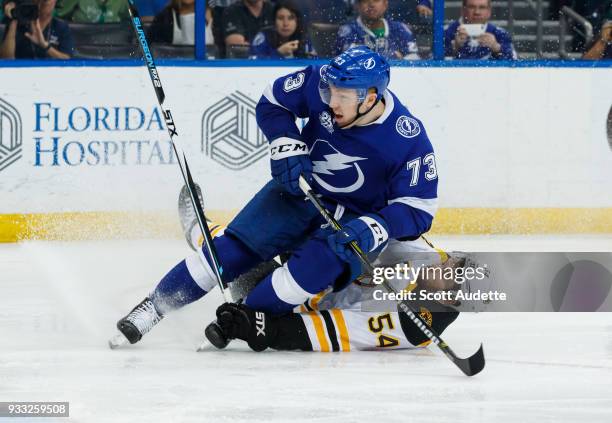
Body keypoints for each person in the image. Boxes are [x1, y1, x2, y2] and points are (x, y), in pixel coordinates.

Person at [111, 46, 440, 351]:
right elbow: (274, 102)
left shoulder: (407, 139)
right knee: (230, 251)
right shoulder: (317, 80)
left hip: (352, 219)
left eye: (343, 95)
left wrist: (377, 226)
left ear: (370, 97)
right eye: (330, 92)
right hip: (300, 189)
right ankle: (153, 308)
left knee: (313, 269)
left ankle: (237, 321)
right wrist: (286, 140)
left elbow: (419, 208)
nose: (332, 102)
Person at [335, 0, 420, 60]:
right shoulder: (348, 31)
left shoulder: (399, 28)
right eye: (365, 0)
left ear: (385, 4)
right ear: (358, 6)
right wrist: (393, 55)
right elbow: (349, 61)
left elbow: (414, 59)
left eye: (376, 0)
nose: (371, 4)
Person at [444, 0, 517, 60]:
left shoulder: (500, 33)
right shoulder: (446, 32)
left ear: (489, 11)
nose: (477, 12)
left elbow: (515, 62)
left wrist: (497, 48)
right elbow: (434, 62)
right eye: (472, 7)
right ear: (463, 10)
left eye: (482, 7)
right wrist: (453, 47)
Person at [1, 0, 73, 59]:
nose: (41, 3)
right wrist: (15, 16)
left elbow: (67, 61)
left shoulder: (61, 27)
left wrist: (45, 46)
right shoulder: (18, 24)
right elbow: (6, 59)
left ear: (55, 2)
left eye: (46, 1)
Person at [55, 0, 128, 23]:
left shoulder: (121, 1)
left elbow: (133, 19)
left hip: (113, 42)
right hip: (81, 42)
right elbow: (57, 13)